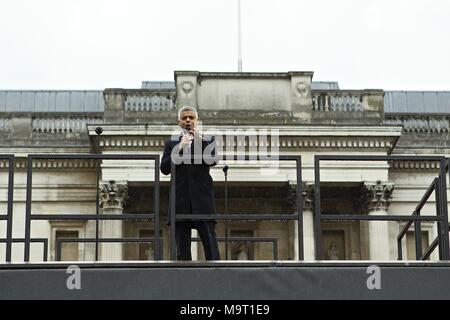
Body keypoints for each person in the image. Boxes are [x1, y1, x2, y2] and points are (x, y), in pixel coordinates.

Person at [160, 106, 220, 260]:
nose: (188, 120)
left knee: (210, 243)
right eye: (185, 118)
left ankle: (217, 274)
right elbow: (165, 169)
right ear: (179, 122)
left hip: (202, 200)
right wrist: (180, 147)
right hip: (180, 201)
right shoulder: (171, 144)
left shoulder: (208, 141)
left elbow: (213, 160)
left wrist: (198, 140)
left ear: (196, 121)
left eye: (191, 118)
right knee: (182, 248)